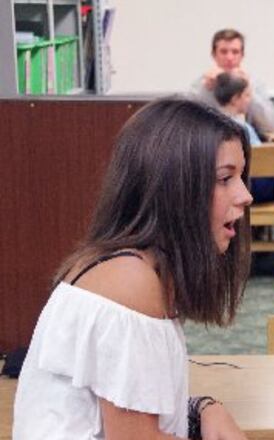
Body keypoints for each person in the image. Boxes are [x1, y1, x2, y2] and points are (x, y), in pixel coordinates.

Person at [13, 98, 252, 440]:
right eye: (225, 179)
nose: (245, 195)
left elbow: (127, 408)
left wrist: (201, 408)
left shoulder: (128, 266)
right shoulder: (131, 283)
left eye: (240, 177)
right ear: (174, 188)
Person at [191, 28, 274, 138]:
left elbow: (270, 126)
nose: (229, 58)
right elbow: (190, 125)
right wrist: (206, 90)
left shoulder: (254, 83)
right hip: (210, 146)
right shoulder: (201, 85)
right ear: (214, 55)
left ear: (242, 55)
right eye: (223, 52)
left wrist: (248, 91)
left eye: (235, 52)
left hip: (247, 147)